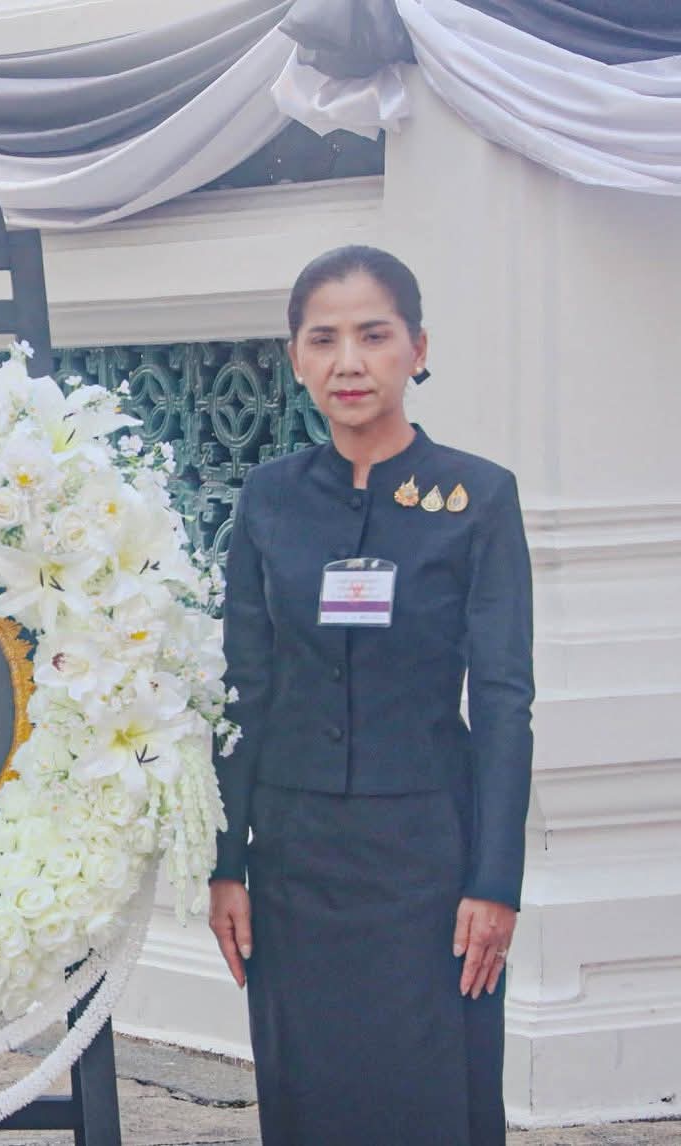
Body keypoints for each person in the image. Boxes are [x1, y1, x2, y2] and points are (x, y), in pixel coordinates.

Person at [206, 245, 533, 1145]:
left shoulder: (478, 498)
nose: (350, 361)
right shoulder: (269, 501)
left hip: (428, 859)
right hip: (296, 861)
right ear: (297, 358)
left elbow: (505, 700)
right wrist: (225, 861)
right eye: (325, 339)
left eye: (374, 335)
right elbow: (245, 686)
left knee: (433, 1093)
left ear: (416, 349)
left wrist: (495, 881)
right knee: (310, 1093)